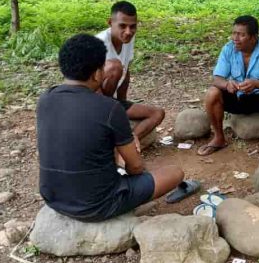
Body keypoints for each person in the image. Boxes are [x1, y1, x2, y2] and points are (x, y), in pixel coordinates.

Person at [36, 34, 184, 222]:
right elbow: (136, 167)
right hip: (98, 205)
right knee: (175, 173)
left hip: (54, 199)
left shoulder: (45, 99)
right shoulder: (109, 108)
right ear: (97, 73)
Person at [199, 15, 259, 155]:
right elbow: (217, 79)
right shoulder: (228, 49)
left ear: (253, 37)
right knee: (212, 92)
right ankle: (219, 138)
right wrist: (227, 85)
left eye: (241, 35)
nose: (235, 38)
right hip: (238, 98)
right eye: (234, 33)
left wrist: (257, 83)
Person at [95, 1, 164, 145]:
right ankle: (106, 123)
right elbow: (88, 86)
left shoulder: (127, 39)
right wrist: (112, 114)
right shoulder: (98, 44)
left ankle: (128, 143)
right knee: (115, 67)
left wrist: (122, 103)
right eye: (122, 26)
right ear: (110, 23)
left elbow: (126, 73)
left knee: (158, 113)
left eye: (133, 26)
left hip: (112, 102)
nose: (128, 32)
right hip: (94, 104)